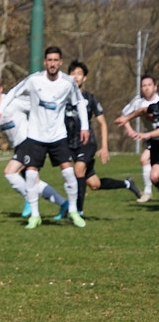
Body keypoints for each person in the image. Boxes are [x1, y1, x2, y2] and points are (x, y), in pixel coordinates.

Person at [0, 46, 88, 229]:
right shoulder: (34, 79)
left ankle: (73, 211)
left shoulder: (68, 82)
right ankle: (35, 216)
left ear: (60, 62)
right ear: (45, 62)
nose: (52, 64)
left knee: (68, 172)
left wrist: (84, 127)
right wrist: (0, 110)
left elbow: (80, 103)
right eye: (49, 60)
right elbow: (13, 92)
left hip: (58, 135)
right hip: (35, 135)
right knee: (30, 174)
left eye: (55, 60)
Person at [0, 75, 67, 218]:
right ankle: (64, 204)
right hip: (18, 146)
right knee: (35, 182)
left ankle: (28, 198)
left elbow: (35, 103)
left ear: (1, 89)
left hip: (29, 141)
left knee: (10, 172)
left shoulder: (13, 101)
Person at [64, 61, 141, 214]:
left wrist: (104, 147)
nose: (75, 77)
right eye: (72, 73)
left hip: (87, 142)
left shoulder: (90, 98)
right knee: (94, 184)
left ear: (85, 78)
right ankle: (127, 184)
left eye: (79, 74)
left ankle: (78, 213)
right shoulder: (63, 98)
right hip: (70, 144)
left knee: (78, 169)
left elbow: (103, 123)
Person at [114, 75, 159, 203]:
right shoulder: (138, 101)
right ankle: (148, 192)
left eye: (149, 85)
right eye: (144, 85)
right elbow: (127, 115)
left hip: (152, 136)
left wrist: (145, 135)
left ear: (155, 87)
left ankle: (147, 192)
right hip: (153, 139)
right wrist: (130, 130)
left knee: (146, 161)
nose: (146, 88)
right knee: (152, 173)